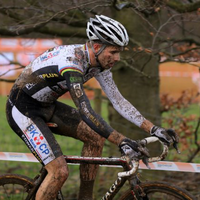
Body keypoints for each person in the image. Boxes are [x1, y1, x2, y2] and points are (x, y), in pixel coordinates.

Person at [6, 15, 179, 200]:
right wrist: (121, 140)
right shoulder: (71, 64)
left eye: (119, 52)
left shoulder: (98, 64)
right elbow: (86, 111)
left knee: (96, 138)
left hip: (47, 105)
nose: (117, 58)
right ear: (97, 47)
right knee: (59, 172)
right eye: (113, 52)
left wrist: (153, 129)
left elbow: (119, 101)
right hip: (23, 110)